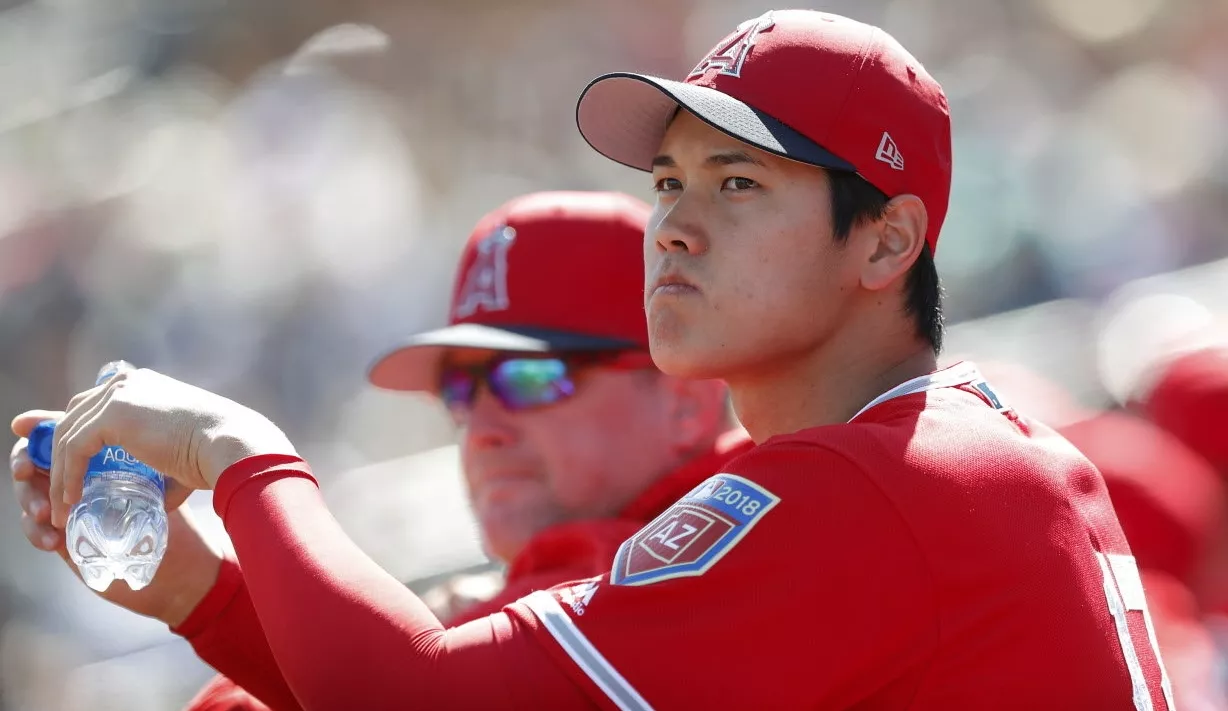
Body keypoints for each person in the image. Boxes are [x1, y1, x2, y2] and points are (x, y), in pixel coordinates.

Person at [13, 10, 1173, 709]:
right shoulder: (932, 458)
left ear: (887, 237)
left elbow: (422, 701)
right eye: (668, 182)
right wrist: (203, 596)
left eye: (738, 185)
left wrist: (241, 453)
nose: (673, 223)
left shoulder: (887, 483)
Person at [12, 191, 747, 711]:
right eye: (460, 392)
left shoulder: (742, 553)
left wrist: (237, 456)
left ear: (684, 400)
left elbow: (406, 694)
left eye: (529, 377)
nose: (482, 425)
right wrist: (194, 588)